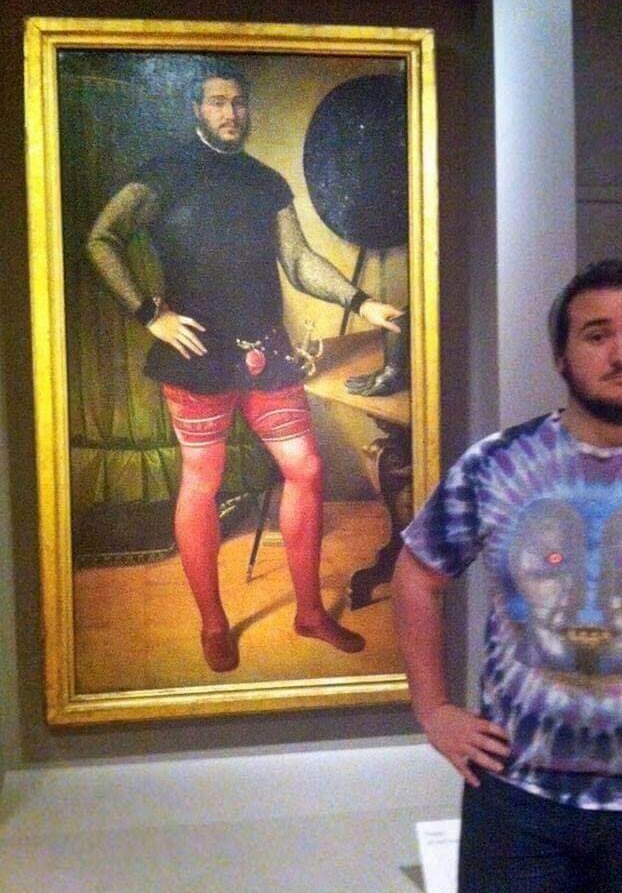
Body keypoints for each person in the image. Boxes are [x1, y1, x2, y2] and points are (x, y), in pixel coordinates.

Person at [87, 59, 402, 672]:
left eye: (238, 102)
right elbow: (102, 240)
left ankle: (309, 612)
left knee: (305, 468)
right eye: (218, 102)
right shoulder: (161, 175)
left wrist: (361, 301)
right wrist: (149, 313)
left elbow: (299, 261)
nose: (231, 113)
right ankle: (213, 622)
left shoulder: (266, 181)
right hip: (196, 358)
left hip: (265, 350)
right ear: (196, 109)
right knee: (201, 483)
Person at [392, 259, 622, 893]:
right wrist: (433, 710)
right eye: (597, 334)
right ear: (561, 356)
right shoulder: (496, 465)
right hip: (518, 802)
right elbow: (417, 574)